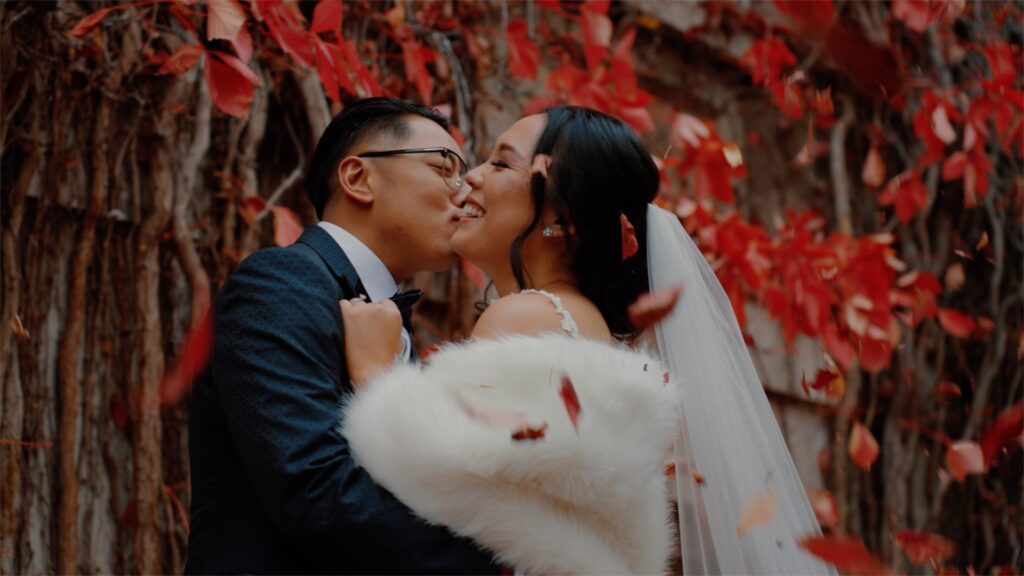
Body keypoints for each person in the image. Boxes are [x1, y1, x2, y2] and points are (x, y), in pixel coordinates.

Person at [339, 107, 835, 574]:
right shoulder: (586, 328)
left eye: (502, 163)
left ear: (562, 220)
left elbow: (443, 495)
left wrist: (377, 378)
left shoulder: (524, 316)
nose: (472, 177)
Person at [185, 98, 501, 574]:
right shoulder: (279, 283)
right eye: (444, 168)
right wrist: (503, 555)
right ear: (358, 178)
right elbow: (318, 495)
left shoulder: (384, 318)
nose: (465, 192)